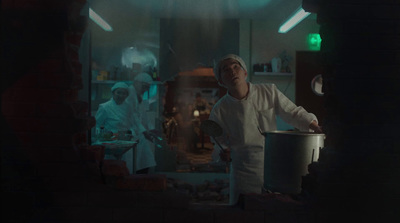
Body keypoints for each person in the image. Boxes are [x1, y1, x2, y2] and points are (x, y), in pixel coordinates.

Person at [209, 54, 323, 205]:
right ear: (221, 81)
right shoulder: (219, 109)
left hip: (273, 165)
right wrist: (223, 152)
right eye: (226, 70)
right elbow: (218, 141)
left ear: (245, 73)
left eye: (236, 67)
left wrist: (315, 127)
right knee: (244, 214)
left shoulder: (269, 91)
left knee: (272, 213)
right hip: (243, 171)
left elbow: (293, 112)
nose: (232, 71)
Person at [95, 82, 141, 174]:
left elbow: (133, 124)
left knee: (124, 170)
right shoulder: (104, 107)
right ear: (113, 93)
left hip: (125, 144)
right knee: (110, 170)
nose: (121, 95)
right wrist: (104, 139)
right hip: (109, 144)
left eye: (124, 93)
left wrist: (131, 134)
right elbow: (97, 126)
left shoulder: (128, 107)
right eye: (118, 92)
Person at [126, 72, 158, 174]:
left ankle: (141, 180)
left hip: (138, 133)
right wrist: (144, 131)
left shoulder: (138, 95)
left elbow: (143, 115)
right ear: (136, 83)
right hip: (130, 132)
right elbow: (133, 116)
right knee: (132, 162)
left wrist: (150, 129)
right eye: (144, 86)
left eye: (147, 87)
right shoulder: (129, 93)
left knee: (144, 160)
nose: (146, 89)